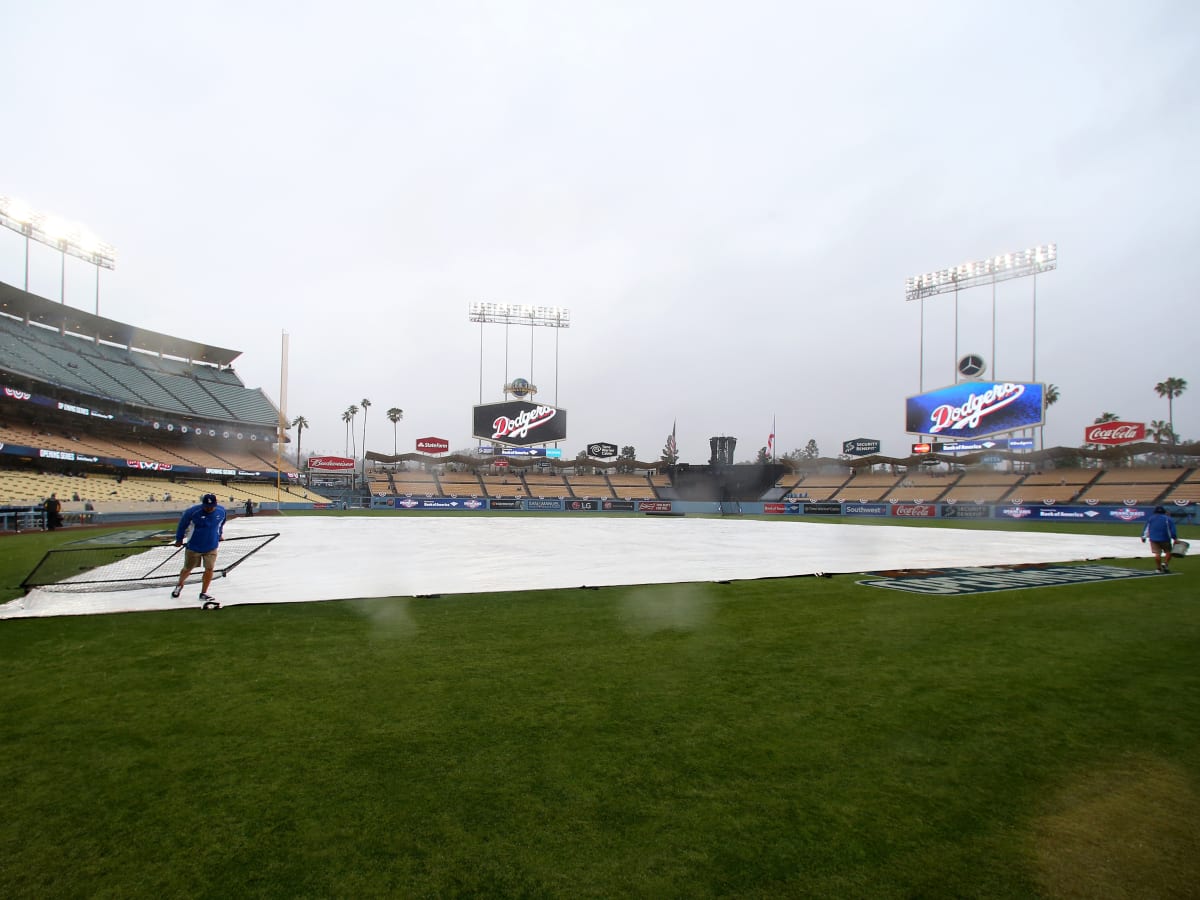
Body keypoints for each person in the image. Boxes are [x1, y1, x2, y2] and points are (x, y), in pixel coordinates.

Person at [170, 493, 226, 602]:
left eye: (211, 506)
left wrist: (219, 535)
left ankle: (203, 593)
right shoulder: (192, 512)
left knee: (209, 569)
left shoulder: (221, 511)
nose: (209, 509)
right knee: (187, 568)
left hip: (211, 546)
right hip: (194, 546)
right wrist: (179, 539)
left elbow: (221, 524)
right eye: (207, 506)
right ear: (203, 504)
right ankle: (179, 585)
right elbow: (182, 525)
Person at [1141, 505, 1178, 573]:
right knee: (1168, 552)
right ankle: (1165, 564)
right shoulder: (1168, 519)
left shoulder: (1151, 518)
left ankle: (1158, 568)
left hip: (1154, 539)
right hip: (1165, 538)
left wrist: (1143, 537)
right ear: (1164, 512)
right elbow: (1172, 530)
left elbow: (1146, 528)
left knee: (1157, 554)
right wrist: (1175, 538)